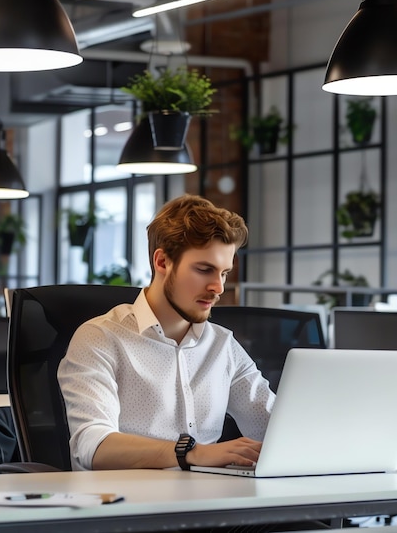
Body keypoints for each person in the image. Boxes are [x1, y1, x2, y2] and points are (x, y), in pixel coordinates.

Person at [58, 194, 275, 472]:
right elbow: (92, 445)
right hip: (129, 505)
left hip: (211, 506)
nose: (218, 287)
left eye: (224, 273)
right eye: (204, 270)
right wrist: (192, 453)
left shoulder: (222, 345)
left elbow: (274, 426)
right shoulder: (99, 339)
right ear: (162, 262)